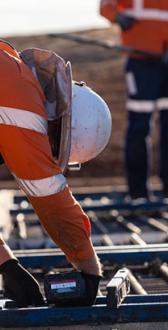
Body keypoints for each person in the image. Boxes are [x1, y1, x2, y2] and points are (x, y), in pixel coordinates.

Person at [0, 40, 112, 307]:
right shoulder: (21, 99)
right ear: (59, 126)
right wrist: (89, 270)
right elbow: (49, 195)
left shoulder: (12, 78)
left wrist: (6, 263)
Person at [100, 0, 168, 200]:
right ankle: (138, 194)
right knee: (139, 126)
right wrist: (117, 17)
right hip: (141, 63)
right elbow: (105, 5)